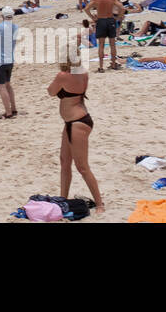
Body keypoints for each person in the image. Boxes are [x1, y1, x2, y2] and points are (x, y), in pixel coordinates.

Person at [47, 54, 103, 213]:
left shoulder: (63, 76)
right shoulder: (83, 73)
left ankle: (100, 204)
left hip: (77, 123)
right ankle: (62, 200)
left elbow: (51, 92)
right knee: (64, 162)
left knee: (82, 167)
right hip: (76, 121)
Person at [85, 0, 125, 71]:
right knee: (112, 44)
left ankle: (101, 66)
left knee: (101, 45)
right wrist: (118, 17)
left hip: (101, 20)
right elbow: (122, 8)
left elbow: (87, 8)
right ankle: (113, 64)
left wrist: (92, 17)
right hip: (110, 20)